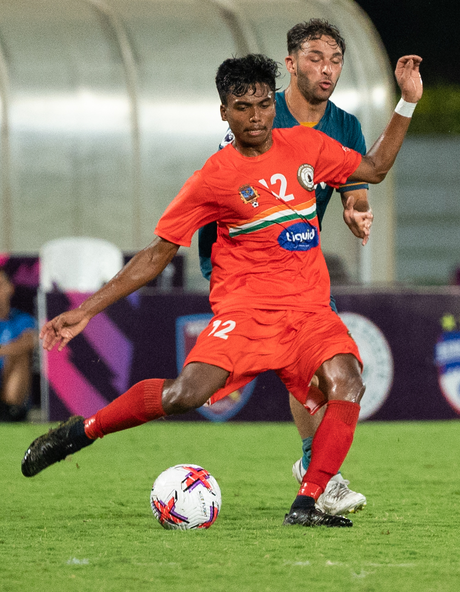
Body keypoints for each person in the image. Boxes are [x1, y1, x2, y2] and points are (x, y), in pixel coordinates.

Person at [21, 52, 423, 528]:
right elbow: (155, 255)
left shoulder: (309, 145)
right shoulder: (213, 177)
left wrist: (407, 103)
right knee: (183, 396)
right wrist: (86, 311)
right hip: (247, 311)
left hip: (308, 310)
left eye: (262, 105)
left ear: (273, 104)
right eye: (241, 107)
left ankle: (309, 501)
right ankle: (80, 433)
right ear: (223, 112)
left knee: (348, 381)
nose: (255, 117)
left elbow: (373, 168)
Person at [198, 19, 372, 516]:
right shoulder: (260, 110)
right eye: (316, 58)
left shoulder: (345, 125)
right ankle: (319, 473)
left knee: (325, 372)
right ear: (292, 63)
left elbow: (355, 188)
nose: (327, 69)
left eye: (336, 60)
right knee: (285, 369)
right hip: (240, 264)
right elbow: (225, 179)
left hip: (296, 265)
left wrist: (355, 210)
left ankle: (317, 473)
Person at [0, 267, 36, 422]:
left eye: (0, 285)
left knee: (20, 355)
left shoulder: (22, 319)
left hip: (10, 384)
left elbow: (29, 341)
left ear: (10, 288)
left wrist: (3, 350)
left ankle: (11, 411)